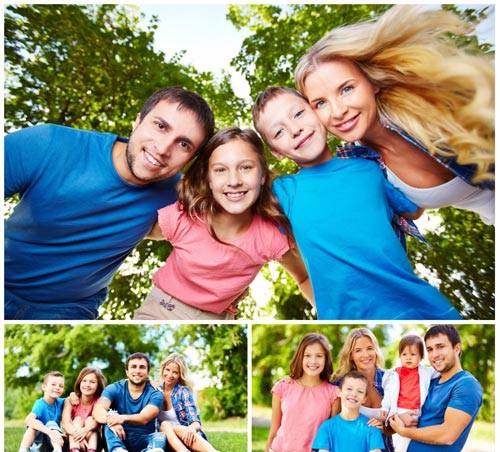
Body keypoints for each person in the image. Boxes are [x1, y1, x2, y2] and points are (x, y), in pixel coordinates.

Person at [5, 87, 214, 320]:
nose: (164, 148)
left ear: (191, 159)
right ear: (138, 121)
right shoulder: (49, 144)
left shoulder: (180, 195)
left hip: (69, 309)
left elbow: (248, 198)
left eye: (184, 144)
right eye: (160, 126)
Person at [252, 87, 461, 321]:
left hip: (421, 307)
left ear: (317, 111)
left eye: (298, 114)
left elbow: (414, 210)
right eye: (279, 132)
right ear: (275, 151)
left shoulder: (371, 165)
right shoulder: (282, 192)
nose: (295, 129)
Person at [295, 6, 494, 226]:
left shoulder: (425, 105)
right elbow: (408, 213)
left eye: (346, 89)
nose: (338, 111)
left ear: (373, 83)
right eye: (320, 103)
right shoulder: (360, 166)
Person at [133, 126, 314, 320]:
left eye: (246, 167)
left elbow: (303, 277)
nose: (234, 180)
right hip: (163, 308)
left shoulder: (270, 237)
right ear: (208, 179)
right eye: (220, 170)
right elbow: (128, 233)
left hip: (217, 320)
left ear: (262, 175)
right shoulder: (184, 217)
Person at [387, 326, 484, 452]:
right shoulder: (430, 382)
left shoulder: (466, 385)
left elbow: (447, 435)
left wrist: (405, 432)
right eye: (430, 349)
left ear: (457, 348)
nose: (434, 354)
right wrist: (398, 419)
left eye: (440, 347)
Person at [259, 333, 340, 452]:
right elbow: (273, 432)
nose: (313, 361)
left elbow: (331, 439)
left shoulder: (333, 394)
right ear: (300, 357)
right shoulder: (283, 387)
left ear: (326, 359)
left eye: (319, 356)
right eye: (307, 355)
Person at [93, 351, 167, 452]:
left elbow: (144, 418)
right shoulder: (114, 388)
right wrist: (112, 421)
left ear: (147, 372)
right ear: (127, 371)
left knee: (160, 436)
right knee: (108, 423)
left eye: (142, 367)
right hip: (117, 436)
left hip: (143, 439)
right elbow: (98, 409)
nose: (137, 371)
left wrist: (121, 418)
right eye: (133, 367)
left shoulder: (155, 394)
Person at [380, 334, 436, 452]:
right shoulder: (394, 374)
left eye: (413, 354)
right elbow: (388, 394)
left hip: (416, 410)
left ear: (421, 357)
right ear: (400, 356)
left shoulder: (425, 372)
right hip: (399, 409)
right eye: (404, 354)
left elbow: (441, 370)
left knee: (411, 436)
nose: (408, 357)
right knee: (405, 433)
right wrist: (385, 408)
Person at [157, 354, 228, 452]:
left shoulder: (183, 391)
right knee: (165, 424)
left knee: (177, 427)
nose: (170, 375)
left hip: (187, 436)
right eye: (168, 370)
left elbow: (195, 421)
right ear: (162, 369)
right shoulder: (154, 391)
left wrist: (191, 429)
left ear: (180, 375)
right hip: (166, 440)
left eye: (175, 372)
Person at [312, 370, 384, 452]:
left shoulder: (372, 427)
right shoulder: (326, 428)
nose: (354, 394)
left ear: (364, 398)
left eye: (360, 391)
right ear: (339, 392)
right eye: (349, 389)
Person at [13, 371, 66, 452]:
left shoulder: (61, 402)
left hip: (53, 444)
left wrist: (73, 395)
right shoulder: (40, 404)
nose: (57, 387)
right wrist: (49, 432)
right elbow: (28, 420)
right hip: (39, 447)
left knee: (51, 424)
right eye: (53, 384)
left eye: (61, 386)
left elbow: (73, 398)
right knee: (36, 424)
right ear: (44, 387)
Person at [61, 366, 106, 452]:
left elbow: (97, 422)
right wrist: (78, 436)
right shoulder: (70, 400)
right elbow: (65, 422)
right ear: (79, 382)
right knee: (77, 419)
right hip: (73, 441)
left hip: (93, 442)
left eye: (92, 382)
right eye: (84, 381)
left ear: (98, 385)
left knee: (90, 420)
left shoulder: (100, 401)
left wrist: (84, 431)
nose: (87, 384)